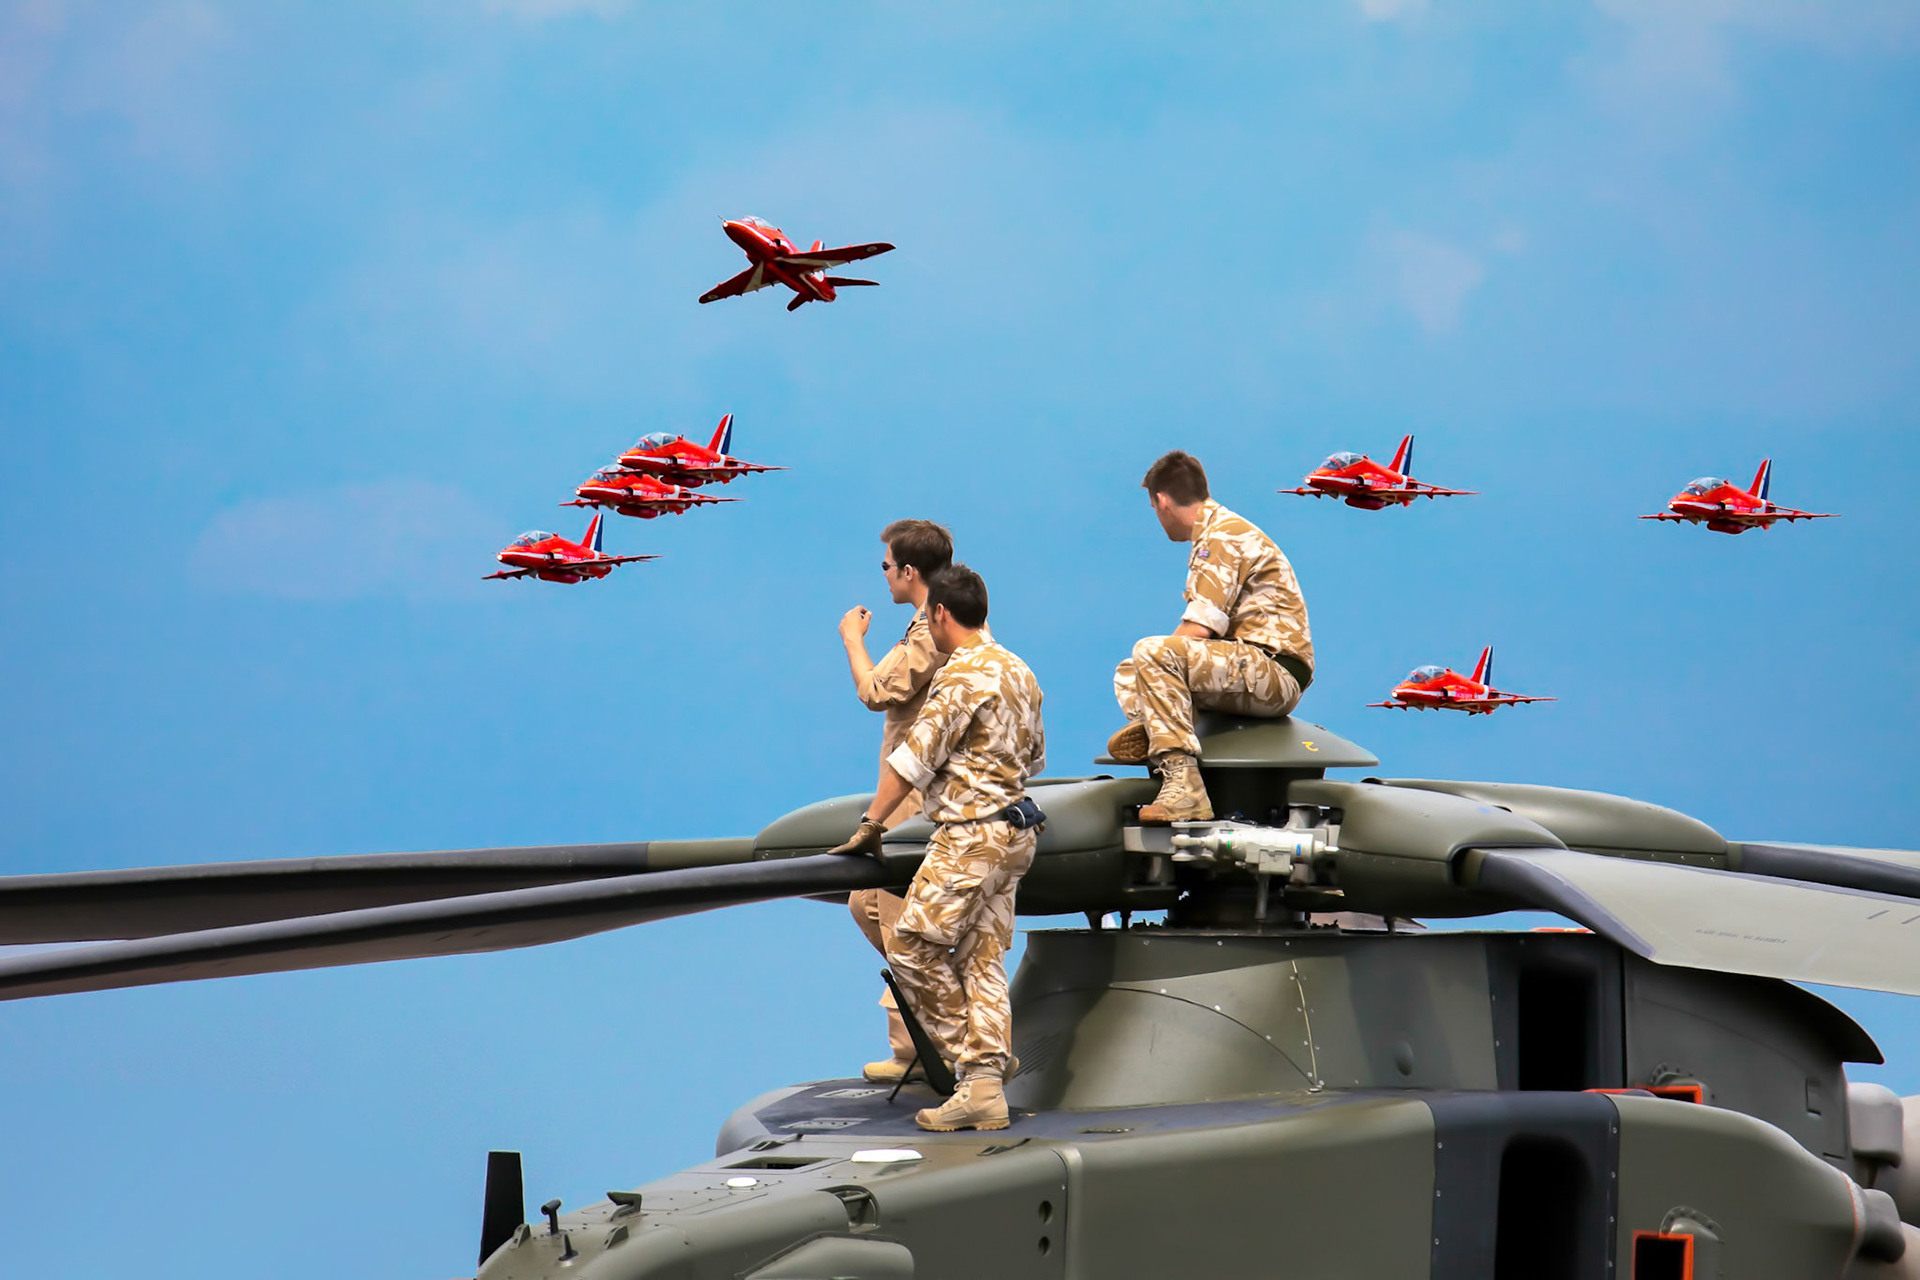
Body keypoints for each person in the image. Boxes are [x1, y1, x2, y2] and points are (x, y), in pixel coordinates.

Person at [829, 564, 1045, 1132]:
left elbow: (912, 762)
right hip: (1016, 833)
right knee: (981, 958)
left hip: (970, 834)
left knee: (912, 944)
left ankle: (978, 1073)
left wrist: (872, 824)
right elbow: (1036, 759)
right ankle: (989, 1069)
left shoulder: (961, 675)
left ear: (941, 614)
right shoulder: (1019, 670)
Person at [1108, 450, 1313, 822]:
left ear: (1162, 501)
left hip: (1273, 669)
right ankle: (1163, 728)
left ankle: (1182, 783)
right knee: (1130, 669)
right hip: (1247, 665)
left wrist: (1158, 664)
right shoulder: (1218, 531)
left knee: (1150, 655)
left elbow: (1200, 629)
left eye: (1153, 508)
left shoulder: (1221, 536)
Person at [837, 519, 955, 1085]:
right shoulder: (928, 623)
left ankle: (927, 1043)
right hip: (904, 788)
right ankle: (914, 1034)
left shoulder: (932, 627)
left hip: (916, 792)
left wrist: (852, 642)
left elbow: (877, 690)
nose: (883, 576)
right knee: (866, 902)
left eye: (886, 566)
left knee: (896, 908)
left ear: (909, 571)